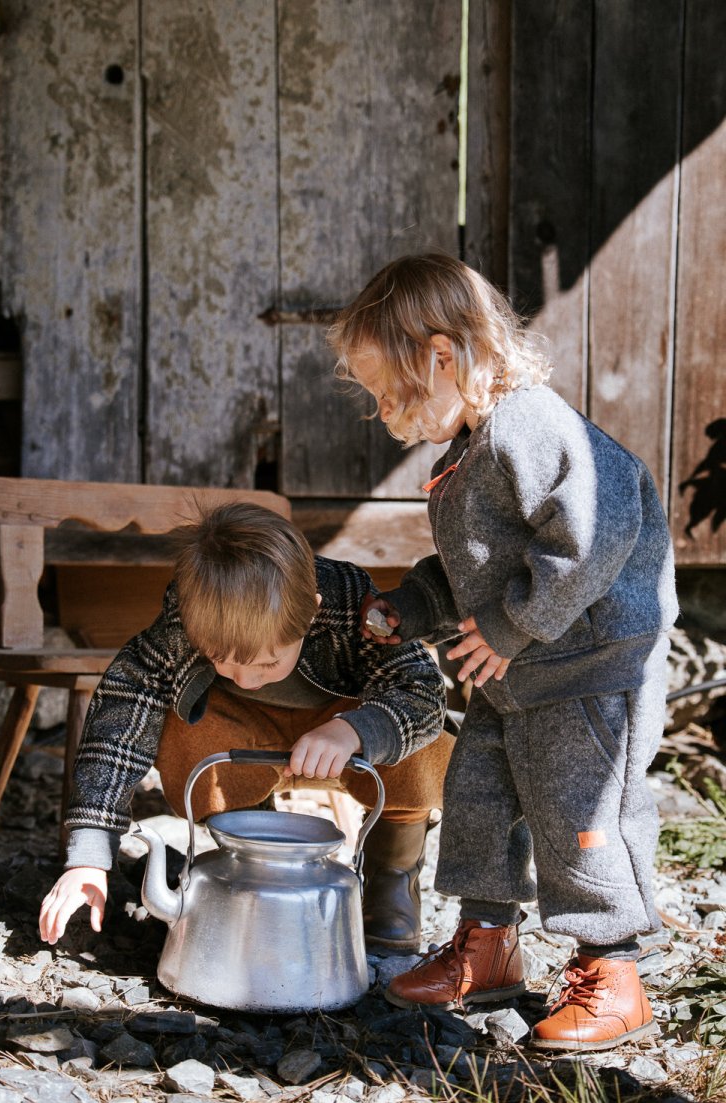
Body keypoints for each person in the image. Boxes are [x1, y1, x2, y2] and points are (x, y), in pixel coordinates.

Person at [326, 252, 678, 1051]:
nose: (384, 413)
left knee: (581, 815)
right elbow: (474, 573)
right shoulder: (467, 454)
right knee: (478, 799)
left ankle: (613, 971)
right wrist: (410, 609)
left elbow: (597, 531)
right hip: (517, 678)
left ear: (443, 355)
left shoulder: (530, 426)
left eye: (391, 393)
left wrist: (515, 625)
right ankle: (488, 948)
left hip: (588, 672)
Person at [39, 501, 454, 953]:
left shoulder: (351, 601)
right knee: (183, 729)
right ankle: (255, 863)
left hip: (339, 732)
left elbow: (422, 690)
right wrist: (91, 853)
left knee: (421, 742)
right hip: (242, 737)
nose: (248, 679)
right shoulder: (187, 616)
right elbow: (120, 717)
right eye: (223, 661)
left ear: (311, 613)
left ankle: (391, 881)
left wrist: (355, 730)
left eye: (268, 662)